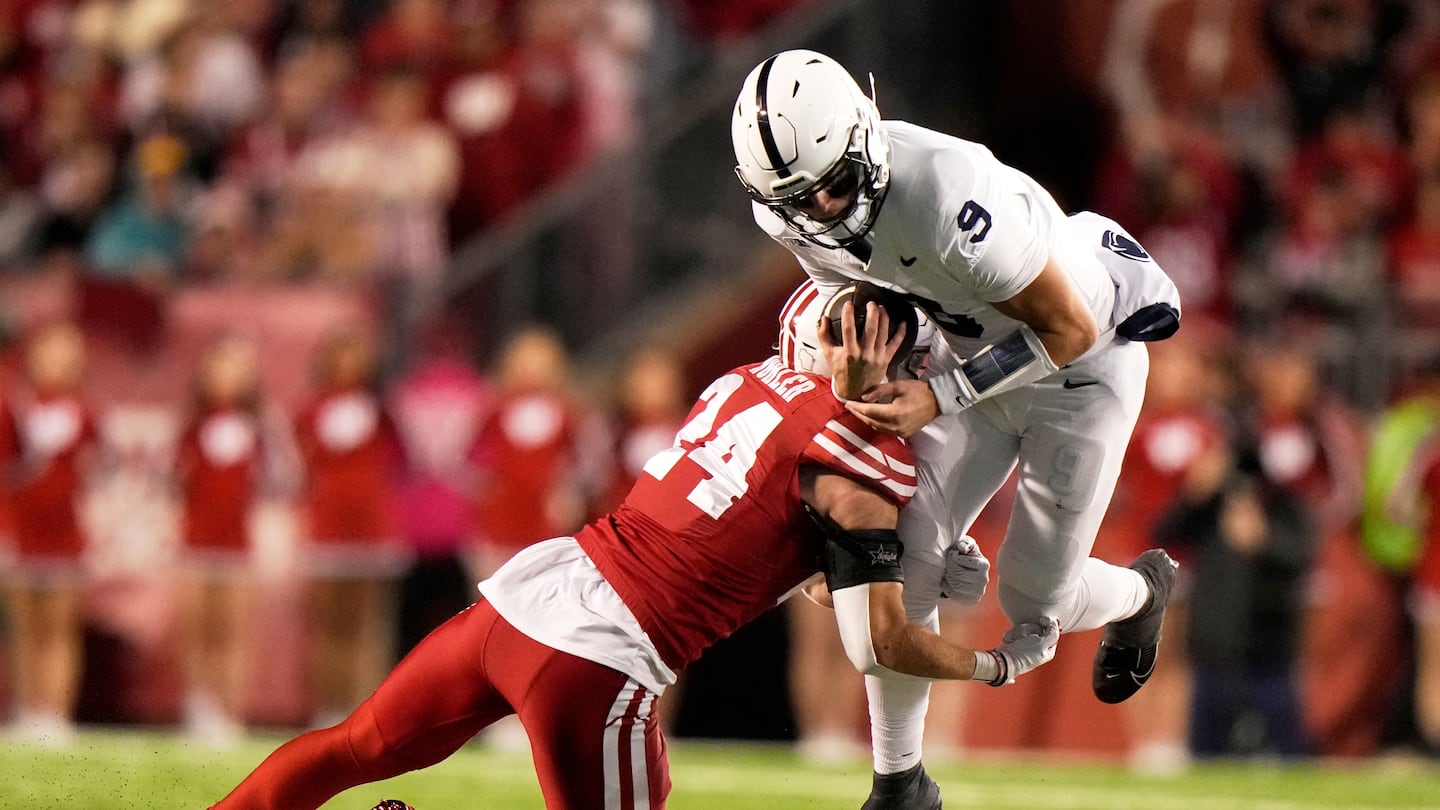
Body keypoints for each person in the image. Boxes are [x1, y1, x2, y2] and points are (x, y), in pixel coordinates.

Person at [207, 286, 1059, 810]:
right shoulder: (862, 464)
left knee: (355, 745)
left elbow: (754, 536)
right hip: (602, 654)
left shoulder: (740, 384)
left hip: (534, 590)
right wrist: (998, 663)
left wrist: (878, 561)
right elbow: (878, 640)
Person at [731, 49, 1183, 805]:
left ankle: (1140, 594)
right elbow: (868, 297)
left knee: (1038, 603)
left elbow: (1067, 328)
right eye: (801, 201)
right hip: (962, 353)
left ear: (864, 134)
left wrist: (939, 397)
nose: (823, 213)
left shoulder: (948, 192)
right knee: (899, 558)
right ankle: (900, 781)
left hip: (1079, 369)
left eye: (836, 186)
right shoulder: (791, 205)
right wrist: (868, 367)